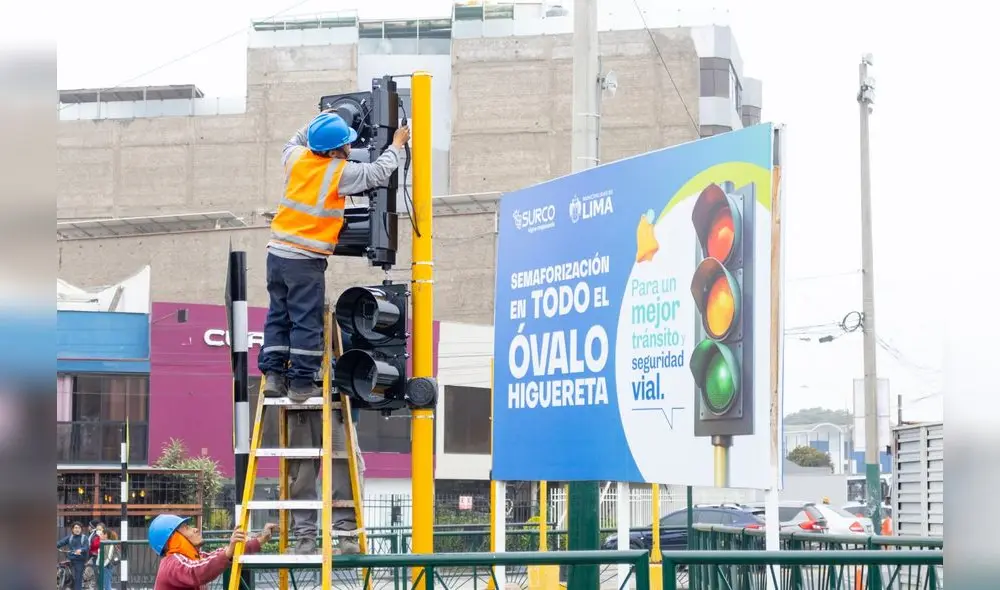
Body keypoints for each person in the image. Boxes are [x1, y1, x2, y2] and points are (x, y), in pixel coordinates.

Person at [258, 111, 410, 403]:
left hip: (276, 255)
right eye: (346, 143)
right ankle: (302, 383)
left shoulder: (295, 158)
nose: (350, 148)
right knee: (306, 320)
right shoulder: (339, 172)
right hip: (304, 261)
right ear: (332, 151)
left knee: (278, 315)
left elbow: (295, 139)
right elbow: (378, 172)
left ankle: (274, 376)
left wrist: (321, 120)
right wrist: (396, 145)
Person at [149, 514, 276, 590]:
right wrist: (228, 551)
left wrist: (261, 539)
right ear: (173, 539)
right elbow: (197, 572)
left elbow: (220, 555)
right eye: (187, 528)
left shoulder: (193, 559)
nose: (195, 529)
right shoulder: (172, 563)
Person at [56, 522, 90, 590]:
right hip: (71, 559)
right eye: (75, 528)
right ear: (72, 529)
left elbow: (86, 547)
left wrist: (81, 550)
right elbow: (61, 542)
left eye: (79, 528)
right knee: (70, 576)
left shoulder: (84, 538)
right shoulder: (70, 537)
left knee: (78, 578)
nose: (77, 529)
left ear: (81, 529)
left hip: (80, 560)